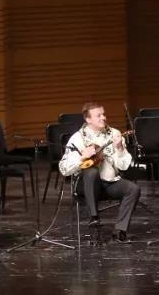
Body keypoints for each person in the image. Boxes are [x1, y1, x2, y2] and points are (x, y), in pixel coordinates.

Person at [59, 102, 141, 242]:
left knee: (133, 189)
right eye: (98, 115)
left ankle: (120, 230)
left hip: (109, 182)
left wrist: (120, 148)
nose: (103, 117)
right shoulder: (77, 138)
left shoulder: (114, 134)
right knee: (91, 172)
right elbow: (64, 168)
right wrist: (82, 157)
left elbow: (124, 166)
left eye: (104, 114)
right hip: (86, 185)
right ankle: (94, 217)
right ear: (88, 119)